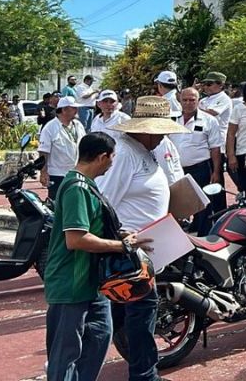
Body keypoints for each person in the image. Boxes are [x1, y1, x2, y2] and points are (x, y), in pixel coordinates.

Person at [44, 132, 144, 381]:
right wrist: (121, 246)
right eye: (111, 158)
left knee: (99, 337)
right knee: (66, 353)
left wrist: (117, 233)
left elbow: (91, 225)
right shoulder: (77, 188)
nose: (112, 163)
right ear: (102, 157)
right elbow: (76, 239)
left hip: (91, 281)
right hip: (72, 282)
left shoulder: (86, 184)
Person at [105, 96, 185, 381]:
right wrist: (121, 236)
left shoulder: (144, 149)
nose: (163, 136)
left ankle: (143, 373)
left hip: (148, 249)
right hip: (129, 253)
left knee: (130, 317)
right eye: (159, 130)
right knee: (137, 316)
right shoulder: (125, 153)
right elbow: (106, 202)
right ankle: (144, 375)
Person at [171, 87, 225, 235]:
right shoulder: (171, 119)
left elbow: (215, 148)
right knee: (176, 203)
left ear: (198, 101)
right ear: (179, 101)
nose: (188, 103)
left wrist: (216, 171)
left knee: (202, 203)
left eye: (192, 100)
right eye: (185, 100)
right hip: (176, 170)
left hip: (200, 168)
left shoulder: (210, 120)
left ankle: (204, 235)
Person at [39, 96, 85, 201]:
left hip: (77, 173)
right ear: (64, 110)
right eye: (73, 108)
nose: (77, 110)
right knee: (57, 204)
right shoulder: (50, 127)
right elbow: (43, 152)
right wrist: (43, 172)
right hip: (58, 174)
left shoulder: (78, 125)